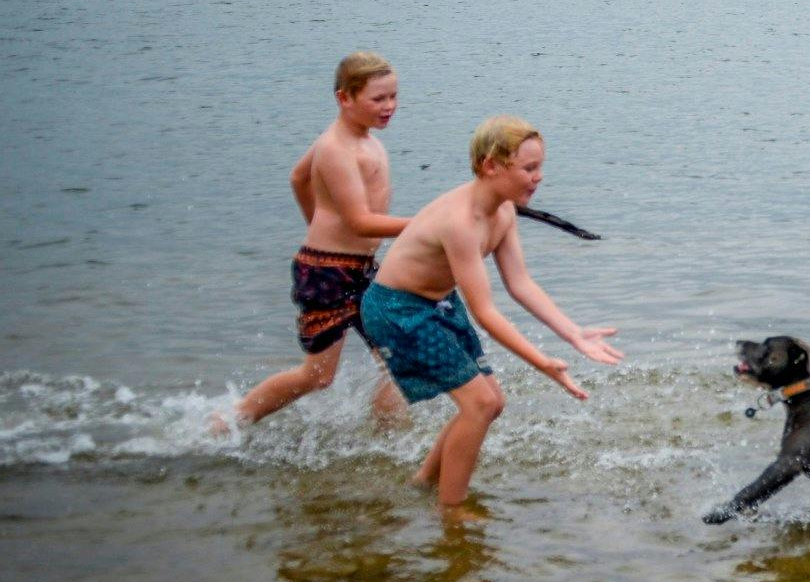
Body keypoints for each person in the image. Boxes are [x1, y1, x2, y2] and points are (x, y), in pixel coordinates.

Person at [360, 115, 623, 511]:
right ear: (491, 166)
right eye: (529, 169)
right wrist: (542, 364)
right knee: (479, 404)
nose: (538, 178)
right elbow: (485, 312)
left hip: (436, 302)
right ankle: (453, 511)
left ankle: (423, 482)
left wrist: (573, 333)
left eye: (540, 168)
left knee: (491, 402)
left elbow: (521, 284)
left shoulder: (503, 212)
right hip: (397, 309)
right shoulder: (460, 221)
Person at [229, 52, 412, 428]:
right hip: (327, 274)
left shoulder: (362, 139)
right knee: (318, 376)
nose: (389, 106)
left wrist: (317, 222)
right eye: (378, 99)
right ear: (344, 98)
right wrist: (427, 224)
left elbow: (298, 177)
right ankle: (231, 421)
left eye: (393, 96)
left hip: (360, 269)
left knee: (399, 360)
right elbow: (361, 223)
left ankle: (389, 441)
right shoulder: (336, 147)